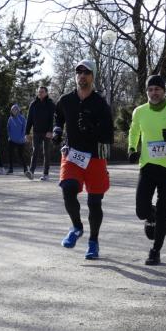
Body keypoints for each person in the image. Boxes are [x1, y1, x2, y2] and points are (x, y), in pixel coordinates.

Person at [53, 60, 114, 260]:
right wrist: (57, 131)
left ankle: (93, 241)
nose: (82, 75)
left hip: (95, 157)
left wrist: (92, 128)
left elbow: (108, 134)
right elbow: (58, 116)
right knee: (67, 189)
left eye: (87, 72)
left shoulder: (100, 104)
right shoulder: (66, 100)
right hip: (72, 155)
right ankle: (77, 227)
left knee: (94, 203)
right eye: (79, 72)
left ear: (93, 77)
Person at [127, 75, 166, 265]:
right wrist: (132, 148)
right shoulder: (139, 111)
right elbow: (134, 132)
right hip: (147, 166)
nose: (153, 93)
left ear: (163, 91)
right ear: (146, 92)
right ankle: (150, 214)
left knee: (164, 211)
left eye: (157, 89)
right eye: (150, 89)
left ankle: (155, 251)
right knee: (141, 210)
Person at [26, 85, 57, 180]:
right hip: (36, 131)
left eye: (42, 92)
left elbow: (53, 119)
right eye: (39, 92)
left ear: (46, 93)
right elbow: (29, 119)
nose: (40, 93)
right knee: (35, 151)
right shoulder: (33, 104)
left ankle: (45, 174)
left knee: (46, 152)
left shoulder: (50, 104)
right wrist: (27, 133)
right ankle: (31, 172)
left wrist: (50, 131)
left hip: (47, 132)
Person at [5, 103, 30, 177]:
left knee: (21, 155)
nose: (14, 111)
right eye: (12, 110)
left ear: (18, 110)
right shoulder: (10, 119)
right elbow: (8, 128)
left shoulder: (22, 118)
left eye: (15, 109)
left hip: (20, 140)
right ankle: (10, 169)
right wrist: (9, 136)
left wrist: (22, 137)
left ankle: (25, 169)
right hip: (12, 140)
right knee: (10, 155)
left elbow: (24, 128)